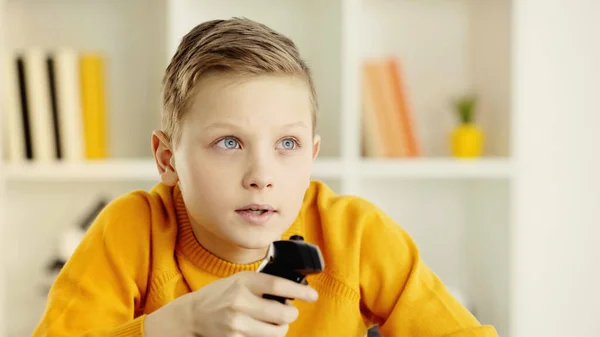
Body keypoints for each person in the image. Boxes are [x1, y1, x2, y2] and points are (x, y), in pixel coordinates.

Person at [31, 17, 498, 337]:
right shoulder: (129, 231)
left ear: (312, 156)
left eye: (287, 145)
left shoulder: (355, 235)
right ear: (167, 159)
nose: (261, 176)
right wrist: (176, 324)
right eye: (229, 143)